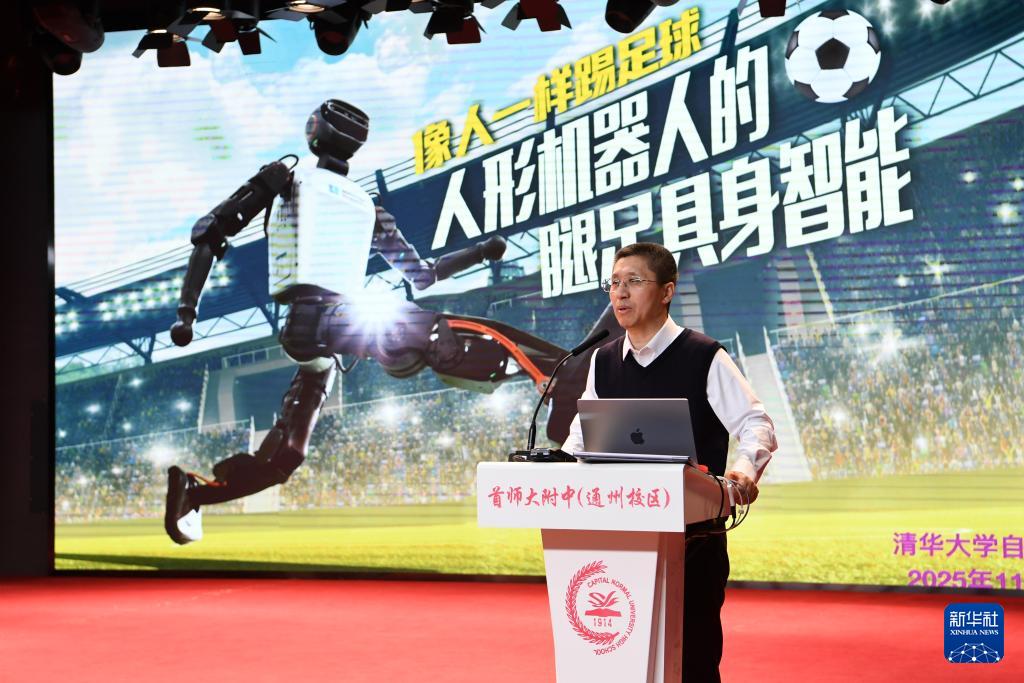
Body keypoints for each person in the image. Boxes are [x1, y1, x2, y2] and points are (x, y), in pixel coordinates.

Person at [560, 242, 776, 682]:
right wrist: (559, 469)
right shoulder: (602, 360)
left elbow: (756, 423)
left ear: (666, 291)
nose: (620, 292)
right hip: (622, 540)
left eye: (633, 281)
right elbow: (580, 438)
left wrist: (743, 471)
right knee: (625, 662)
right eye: (613, 283)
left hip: (693, 541)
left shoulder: (703, 355)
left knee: (691, 662)